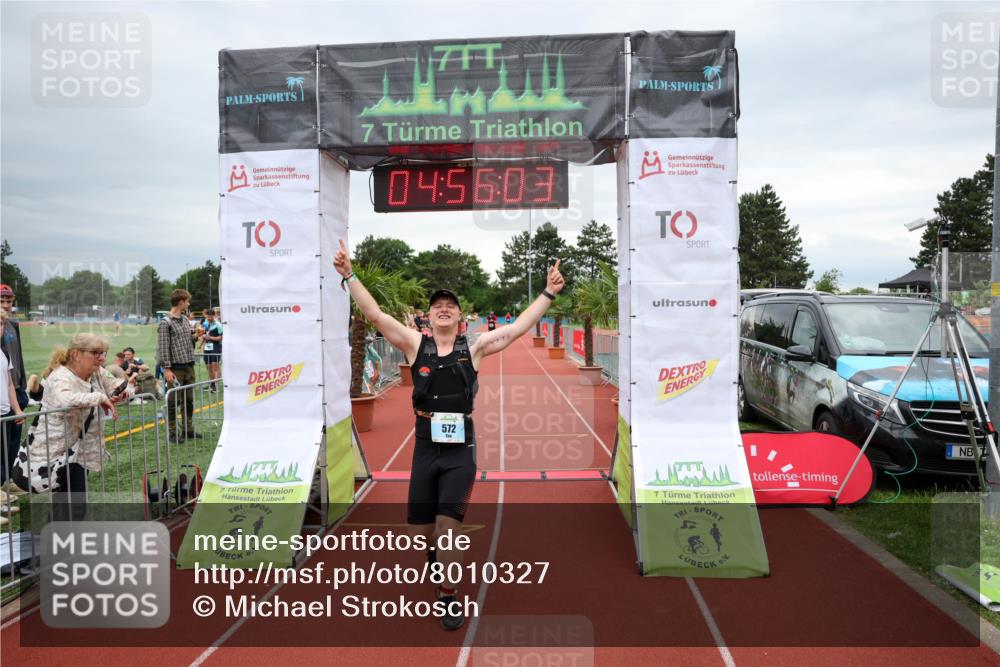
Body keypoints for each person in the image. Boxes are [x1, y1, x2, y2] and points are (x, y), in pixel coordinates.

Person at [333, 239, 564, 631]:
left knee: (448, 528)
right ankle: (435, 556)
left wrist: (547, 293)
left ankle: (448, 596)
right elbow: (374, 314)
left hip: (460, 450)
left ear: (459, 317)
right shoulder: (412, 344)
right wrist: (349, 275)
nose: (444, 309)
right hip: (425, 447)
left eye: (450, 306)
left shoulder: (474, 348)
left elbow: (520, 327)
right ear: (428, 315)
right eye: (437, 305)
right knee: (421, 531)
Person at [10, 333, 132, 520]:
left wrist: (122, 393)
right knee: (73, 505)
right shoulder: (61, 377)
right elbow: (65, 400)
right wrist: (99, 397)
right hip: (57, 450)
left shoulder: (96, 372)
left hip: (81, 450)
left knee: (69, 505)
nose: (102, 358)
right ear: (76, 354)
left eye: (104, 353)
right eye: (95, 353)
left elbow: (117, 384)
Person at [157, 289, 200, 443]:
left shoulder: (185, 320)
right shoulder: (165, 323)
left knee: (188, 400)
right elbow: (163, 347)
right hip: (175, 368)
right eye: (187, 301)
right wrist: (167, 369)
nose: (188, 304)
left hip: (189, 365)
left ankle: (188, 429)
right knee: (173, 401)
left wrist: (196, 336)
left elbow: (188, 341)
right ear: (181, 302)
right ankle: (173, 432)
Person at [0, 285, 27, 491]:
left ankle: (9, 478)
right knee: (3, 439)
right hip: (4, 391)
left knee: (14, 439)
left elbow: (17, 359)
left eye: (9, 301)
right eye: (2, 302)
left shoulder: (12, 325)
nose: (7, 305)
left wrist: (23, 386)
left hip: (16, 389)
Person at [201, 308, 223, 390]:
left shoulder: (218, 325)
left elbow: (221, 338)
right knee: (208, 366)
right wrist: (201, 341)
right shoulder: (205, 324)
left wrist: (210, 337)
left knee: (215, 366)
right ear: (206, 316)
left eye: (211, 316)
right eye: (208, 316)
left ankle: (216, 386)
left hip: (216, 346)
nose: (209, 318)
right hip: (207, 347)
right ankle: (212, 384)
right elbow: (202, 334)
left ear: (214, 316)